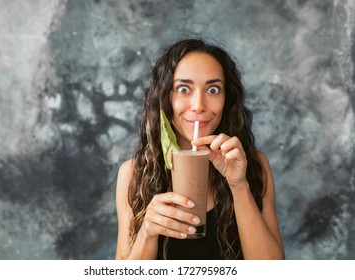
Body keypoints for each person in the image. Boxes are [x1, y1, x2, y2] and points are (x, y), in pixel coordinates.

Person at [115, 37, 284, 260]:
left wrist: (239, 185)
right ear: (165, 96)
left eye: (213, 90)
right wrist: (147, 232)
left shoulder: (255, 166)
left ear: (227, 99)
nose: (199, 105)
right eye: (183, 89)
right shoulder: (134, 174)